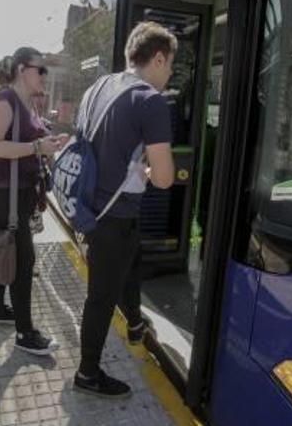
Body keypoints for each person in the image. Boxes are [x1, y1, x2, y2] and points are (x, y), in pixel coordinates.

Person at [74, 22, 177, 398]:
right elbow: (165, 178)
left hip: (90, 208)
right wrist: (150, 171)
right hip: (113, 216)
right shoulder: (150, 100)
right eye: (170, 67)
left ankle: (134, 321)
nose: (169, 76)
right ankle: (87, 372)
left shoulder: (98, 87)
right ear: (159, 57)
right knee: (100, 296)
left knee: (130, 265)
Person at [0, 47, 68, 355]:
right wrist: (36, 147)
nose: (45, 75)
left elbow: (33, 141)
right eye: (40, 70)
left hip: (19, 192)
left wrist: (50, 144)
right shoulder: (5, 100)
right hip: (5, 193)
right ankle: (25, 333)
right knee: (22, 260)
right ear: (22, 69)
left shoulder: (26, 103)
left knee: (3, 249)